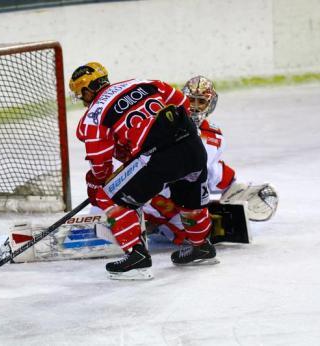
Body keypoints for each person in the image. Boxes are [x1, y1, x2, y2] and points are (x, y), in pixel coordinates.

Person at [69, 62, 218, 280]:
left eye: (81, 95)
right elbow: (182, 102)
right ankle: (201, 247)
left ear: (87, 89)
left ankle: (137, 258)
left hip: (158, 158)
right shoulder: (143, 83)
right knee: (188, 198)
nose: (82, 101)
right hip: (194, 148)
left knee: (108, 196)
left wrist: (98, 182)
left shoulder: (93, 116)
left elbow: (100, 164)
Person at [143, 76, 278, 244]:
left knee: (195, 227)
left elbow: (210, 169)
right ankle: (147, 218)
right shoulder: (164, 122)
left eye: (201, 102)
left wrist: (235, 187)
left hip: (182, 198)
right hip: (153, 192)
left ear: (210, 104)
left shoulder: (213, 135)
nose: (195, 106)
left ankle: (157, 223)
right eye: (191, 100)